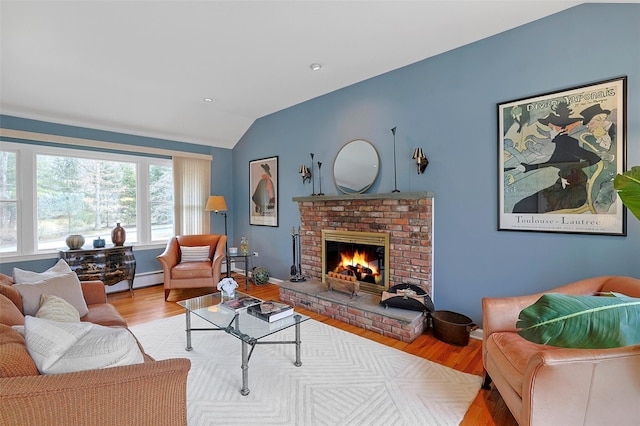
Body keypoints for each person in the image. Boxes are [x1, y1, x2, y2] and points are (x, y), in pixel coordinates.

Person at [512, 102, 602, 213]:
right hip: (562, 186)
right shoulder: (561, 143)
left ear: (560, 129)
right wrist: (527, 167)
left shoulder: (567, 143)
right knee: (522, 205)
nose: (550, 131)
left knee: (523, 206)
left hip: (574, 191)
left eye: (552, 128)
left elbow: (594, 159)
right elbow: (552, 162)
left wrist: (571, 170)